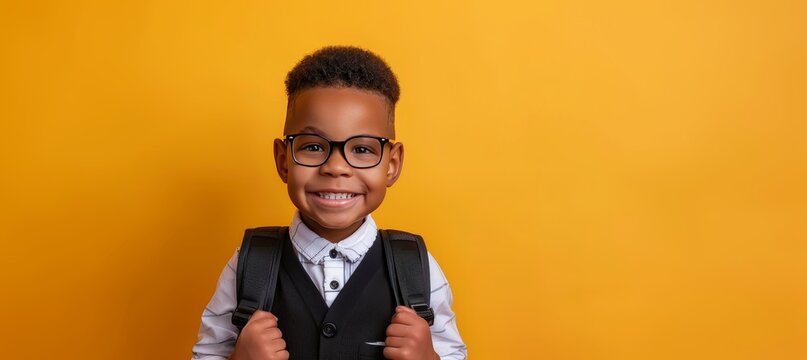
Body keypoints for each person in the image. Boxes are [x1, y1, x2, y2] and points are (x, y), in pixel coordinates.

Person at [191, 46, 467, 360]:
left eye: (362, 149)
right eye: (312, 146)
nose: (336, 167)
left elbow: (453, 353)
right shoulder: (251, 264)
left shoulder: (415, 268)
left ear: (392, 164)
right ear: (283, 160)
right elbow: (207, 353)